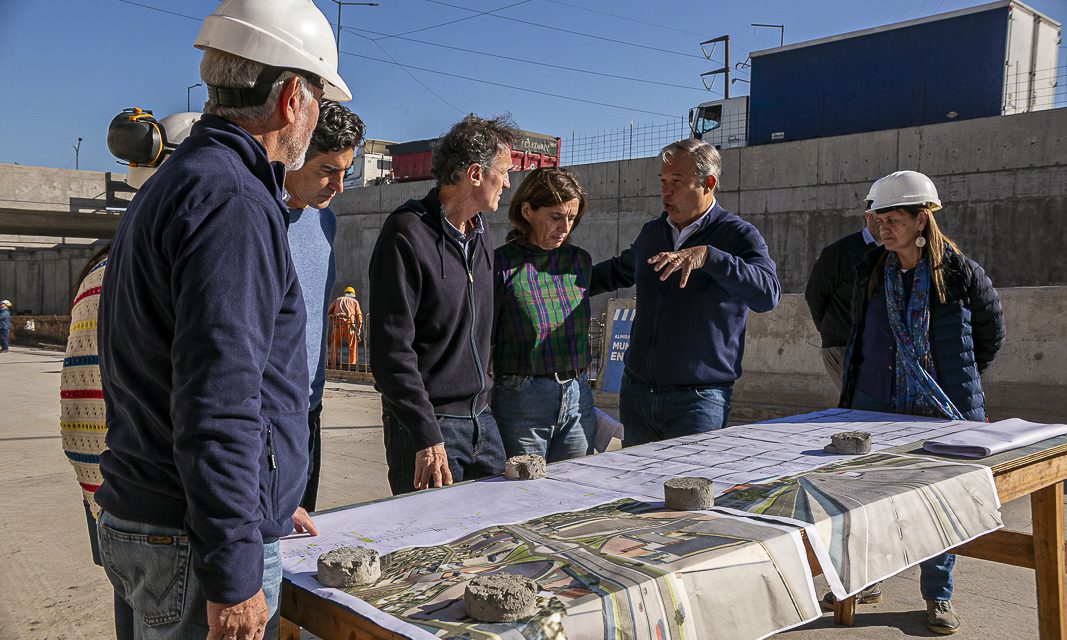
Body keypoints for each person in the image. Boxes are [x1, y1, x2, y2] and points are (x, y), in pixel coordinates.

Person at [95, 1, 350, 638]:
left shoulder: (181, 179)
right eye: (317, 98)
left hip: (157, 522)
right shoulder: (234, 199)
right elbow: (221, 399)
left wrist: (263, 501)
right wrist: (235, 560)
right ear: (293, 96)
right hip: (190, 539)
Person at [837, 170, 1005, 635]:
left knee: (939, 506)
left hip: (943, 409)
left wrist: (950, 378)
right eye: (877, 219)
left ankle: (937, 595)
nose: (883, 228)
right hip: (876, 403)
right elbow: (859, 335)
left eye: (893, 219)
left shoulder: (960, 273)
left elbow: (989, 336)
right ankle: (866, 579)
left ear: (921, 219)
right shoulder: (869, 271)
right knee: (869, 499)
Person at [591, 138, 781, 446]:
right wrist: (556, 279)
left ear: (708, 183)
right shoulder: (653, 233)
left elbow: (767, 294)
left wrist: (710, 257)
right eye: (663, 181)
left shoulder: (738, 235)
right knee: (634, 489)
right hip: (638, 396)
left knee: (688, 490)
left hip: (698, 401)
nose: (666, 191)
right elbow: (615, 271)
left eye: (676, 183)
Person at [369, 114, 517, 495]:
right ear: (475, 174)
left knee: (492, 540)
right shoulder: (406, 234)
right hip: (429, 428)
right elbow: (390, 353)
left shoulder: (481, 236)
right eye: (504, 171)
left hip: (481, 421)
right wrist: (425, 433)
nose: (509, 182)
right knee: (428, 547)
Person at [285, 101, 365, 512]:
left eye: (345, 172)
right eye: (327, 170)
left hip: (310, 409)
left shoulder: (325, 220)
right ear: (294, 153)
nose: (337, 185)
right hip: (267, 418)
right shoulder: (255, 218)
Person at [492, 167, 596, 461]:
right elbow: (482, 334)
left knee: (578, 493)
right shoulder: (499, 264)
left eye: (572, 218)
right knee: (524, 493)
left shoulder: (578, 261)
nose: (565, 227)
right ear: (527, 210)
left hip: (577, 397)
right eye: (556, 217)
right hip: (521, 400)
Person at [804, 179, 883, 390]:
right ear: (868, 217)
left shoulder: (894, 252)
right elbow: (815, 294)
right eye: (881, 218)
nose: (887, 224)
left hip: (877, 346)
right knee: (862, 407)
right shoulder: (840, 252)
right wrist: (832, 330)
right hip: (843, 345)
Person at [327, 286, 363, 367]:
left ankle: (333, 362)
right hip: (349, 325)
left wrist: (332, 318)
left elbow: (329, 311)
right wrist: (359, 328)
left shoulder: (338, 299)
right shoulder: (354, 301)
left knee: (334, 344)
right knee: (352, 345)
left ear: (345, 293)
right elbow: (359, 315)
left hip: (337, 324)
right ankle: (352, 364)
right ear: (353, 294)